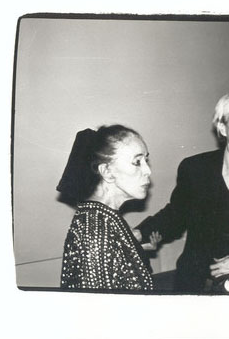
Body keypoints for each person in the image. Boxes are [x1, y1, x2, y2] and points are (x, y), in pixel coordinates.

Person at [136, 89, 229, 293]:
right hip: (196, 285)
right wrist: (140, 234)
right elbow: (176, 215)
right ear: (223, 128)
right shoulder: (196, 169)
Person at [57, 125, 160, 291]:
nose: (147, 170)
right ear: (107, 172)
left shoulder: (103, 218)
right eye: (137, 162)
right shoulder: (96, 232)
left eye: (146, 161)